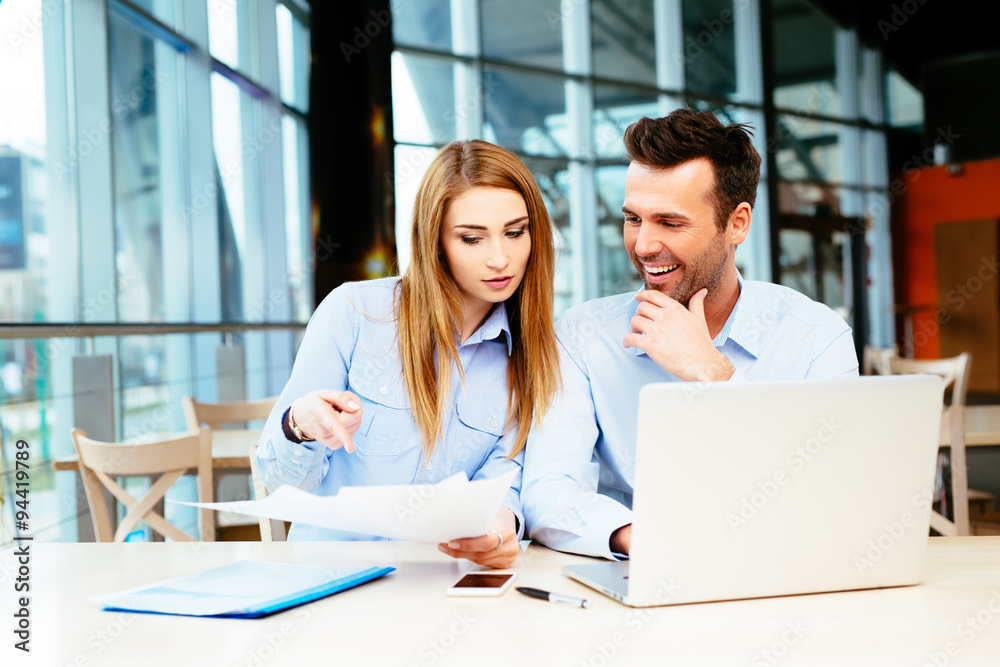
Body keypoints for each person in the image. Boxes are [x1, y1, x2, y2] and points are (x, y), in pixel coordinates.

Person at [521, 108, 859, 559]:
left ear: (737, 223)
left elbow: (834, 494)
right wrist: (645, 540)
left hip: (779, 571)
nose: (643, 246)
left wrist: (711, 372)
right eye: (633, 218)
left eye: (670, 222)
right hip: (634, 573)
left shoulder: (816, 336)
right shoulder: (582, 337)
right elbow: (548, 489)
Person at [256, 140, 559, 569]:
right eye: (472, 238)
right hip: (329, 580)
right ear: (436, 241)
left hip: (440, 583)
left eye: (515, 232)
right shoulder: (355, 313)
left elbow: (504, 481)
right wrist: (299, 425)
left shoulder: (531, 353)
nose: (500, 258)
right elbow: (279, 480)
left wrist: (502, 523)